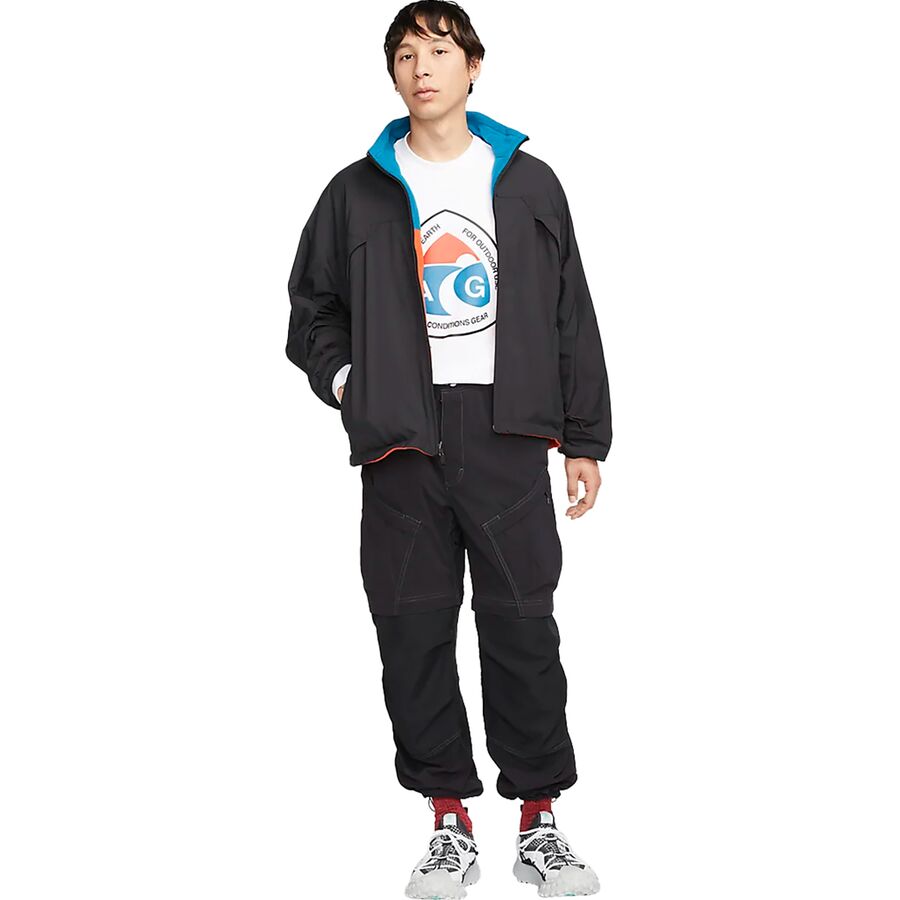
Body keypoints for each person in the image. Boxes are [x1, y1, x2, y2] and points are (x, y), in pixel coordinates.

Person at [286, 2, 611, 896]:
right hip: (401, 442)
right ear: (392, 74)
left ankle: (538, 820)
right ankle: (447, 821)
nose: (420, 67)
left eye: (438, 49)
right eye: (404, 54)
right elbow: (312, 307)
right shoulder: (356, 191)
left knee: (522, 626)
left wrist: (584, 437)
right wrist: (351, 383)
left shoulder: (531, 184)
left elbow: (570, 312)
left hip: (509, 433)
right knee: (412, 628)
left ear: (473, 65)